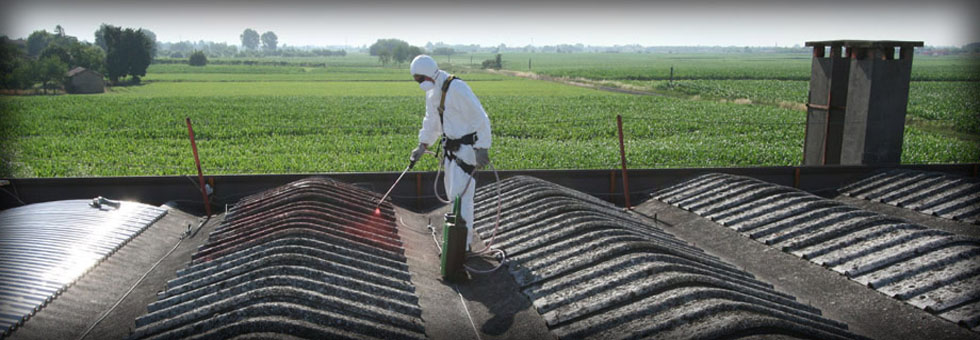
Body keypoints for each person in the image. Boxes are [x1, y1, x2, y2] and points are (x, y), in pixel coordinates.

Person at [409, 54, 491, 251]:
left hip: (466, 151)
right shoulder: (432, 93)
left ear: (428, 75)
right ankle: (456, 241)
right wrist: (422, 145)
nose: (419, 83)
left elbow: (480, 118)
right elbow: (432, 122)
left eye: (420, 79)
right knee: (452, 195)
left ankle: (463, 247)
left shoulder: (457, 89)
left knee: (462, 199)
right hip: (451, 151)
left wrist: (482, 148)